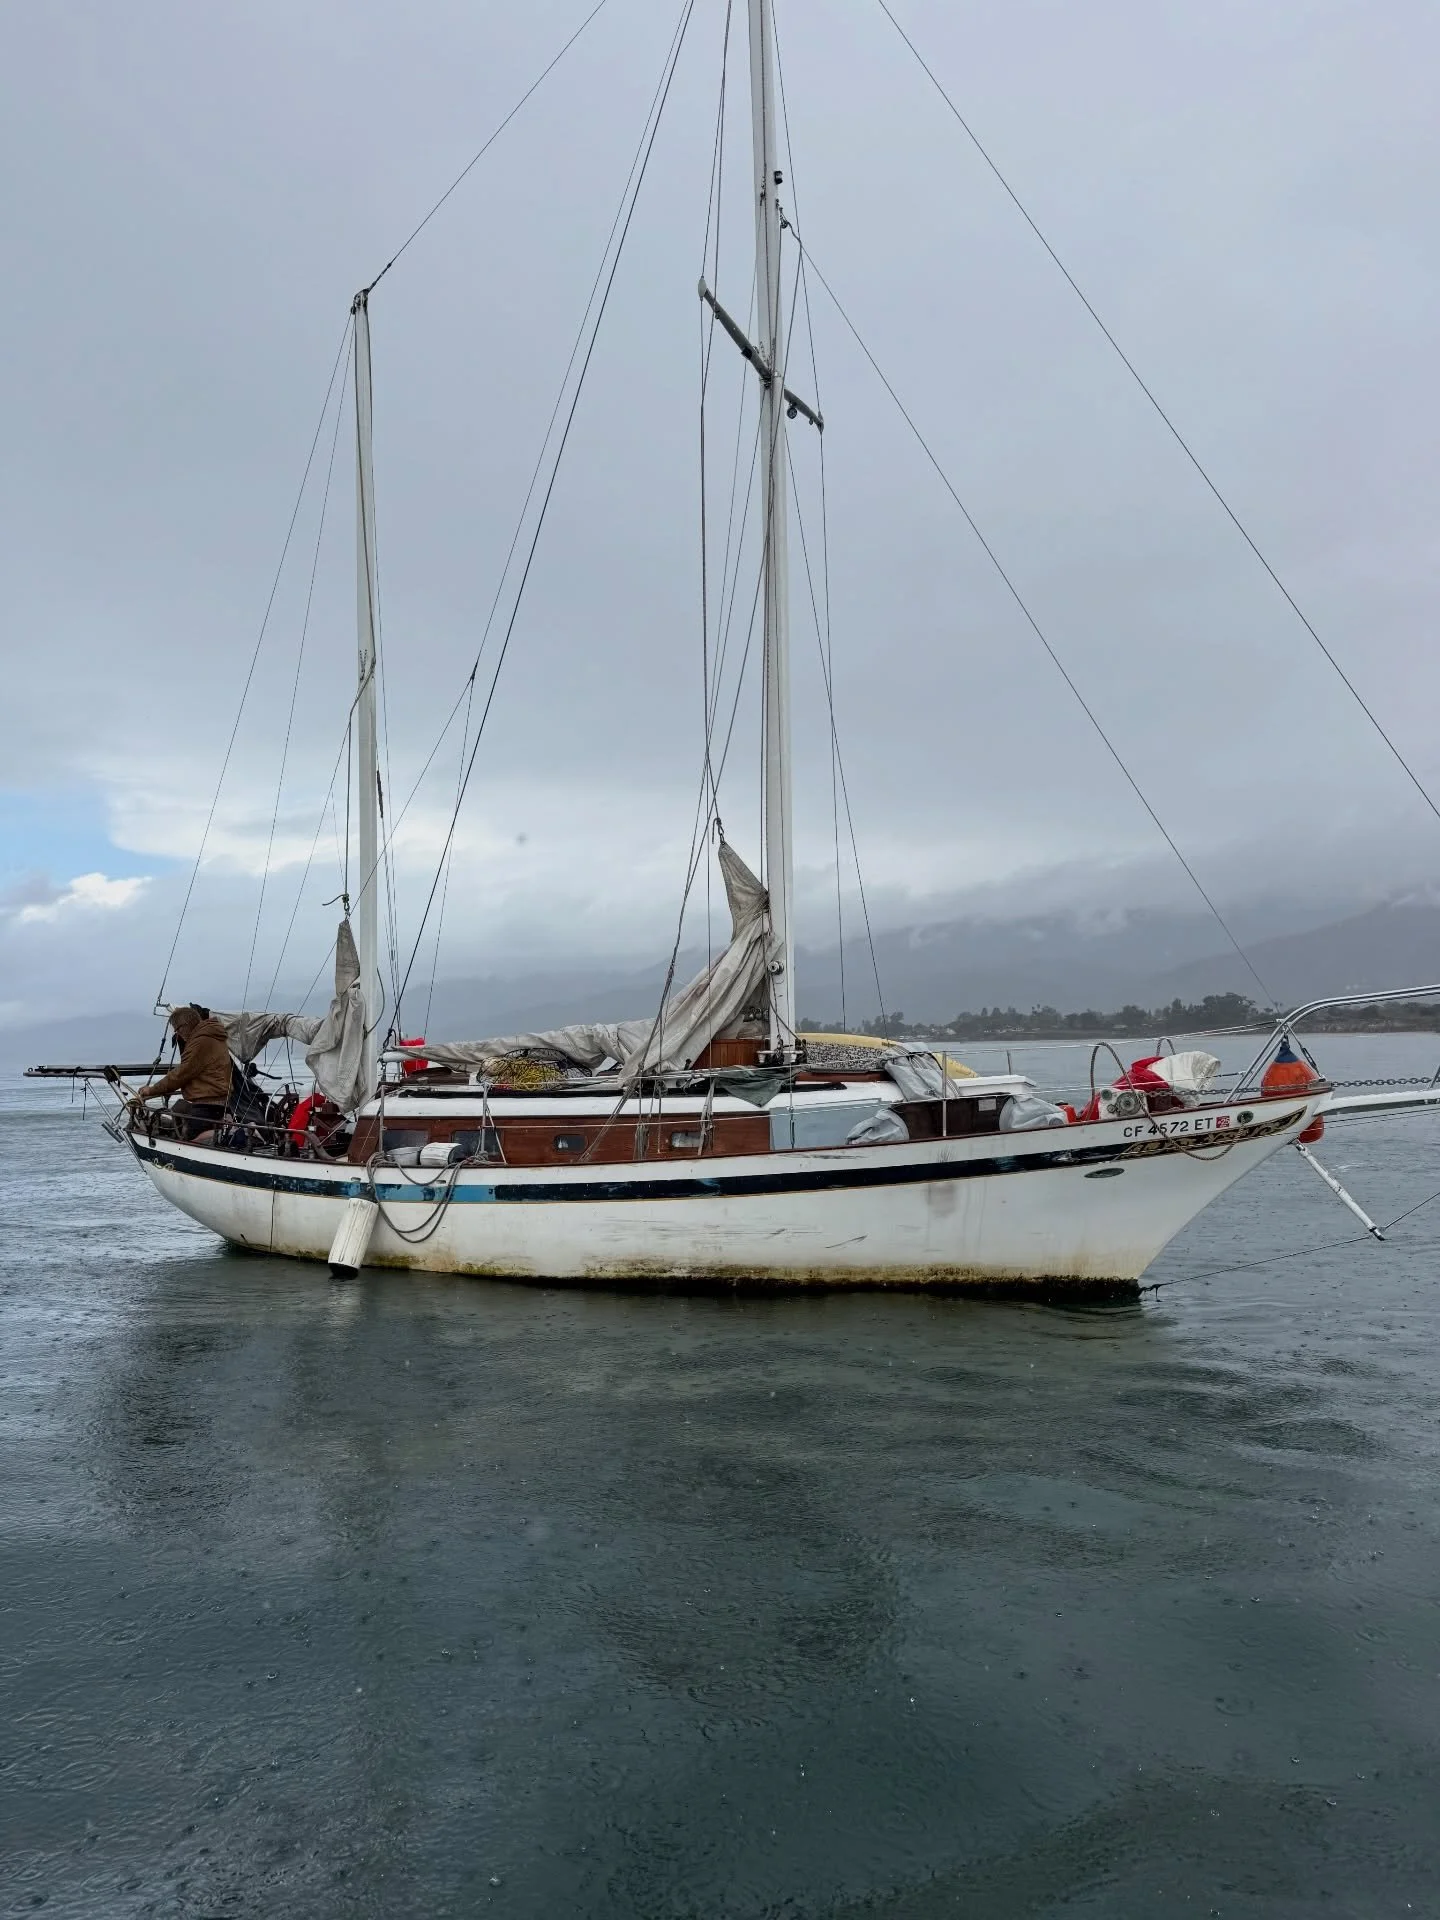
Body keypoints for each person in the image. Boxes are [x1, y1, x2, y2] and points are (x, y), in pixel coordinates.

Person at [131, 1005, 234, 1140]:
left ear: (185, 1025)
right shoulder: (211, 1036)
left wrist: (152, 1090)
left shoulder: (201, 1041)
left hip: (208, 1105)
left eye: (177, 1029)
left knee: (190, 1140)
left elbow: (181, 1073)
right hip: (220, 1103)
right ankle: (231, 1133)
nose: (177, 1034)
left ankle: (236, 1133)